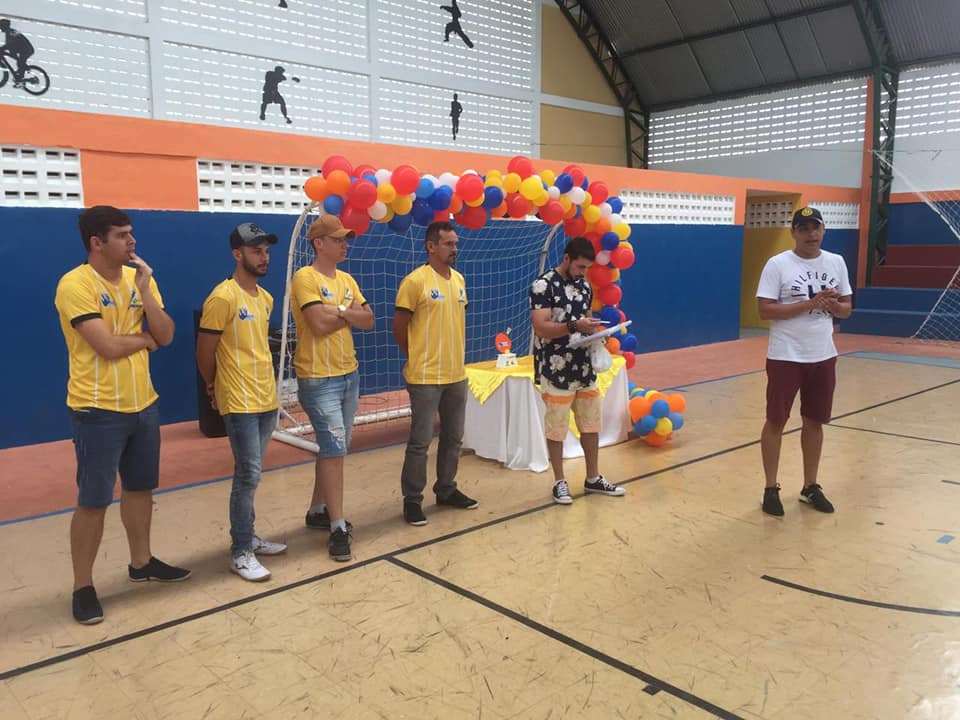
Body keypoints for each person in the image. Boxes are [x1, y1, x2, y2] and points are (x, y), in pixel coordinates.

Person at [55, 206, 190, 625]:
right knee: (94, 500)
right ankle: (82, 586)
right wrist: (144, 339)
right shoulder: (75, 284)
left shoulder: (138, 278)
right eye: (121, 235)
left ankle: (141, 562)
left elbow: (166, 335)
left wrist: (146, 292)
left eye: (131, 233)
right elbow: (107, 347)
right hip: (97, 410)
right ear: (97, 243)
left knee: (140, 489)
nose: (132, 241)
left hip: (143, 405)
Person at [197, 223, 288, 582]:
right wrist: (213, 385)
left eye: (266, 251)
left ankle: (249, 536)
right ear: (237, 254)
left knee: (254, 472)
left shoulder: (264, 298)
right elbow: (205, 351)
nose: (264, 258)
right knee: (247, 474)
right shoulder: (222, 298)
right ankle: (240, 552)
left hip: (265, 397)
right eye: (256, 251)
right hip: (238, 400)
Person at [757, 206, 852, 516]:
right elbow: (765, 310)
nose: (811, 234)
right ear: (794, 232)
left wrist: (832, 305)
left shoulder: (836, 262)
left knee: (814, 421)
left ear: (823, 231)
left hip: (823, 355)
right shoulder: (778, 264)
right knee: (776, 421)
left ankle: (810, 486)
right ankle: (770, 488)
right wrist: (811, 303)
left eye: (816, 228)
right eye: (804, 228)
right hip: (786, 355)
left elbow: (846, 308)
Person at [291, 214, 374, 561]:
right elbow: (318, 324)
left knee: (332, 449)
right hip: (318, 378)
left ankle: (318, 510)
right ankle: (338, 527)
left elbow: (369, 320)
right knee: (335, 449)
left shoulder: (347, 279)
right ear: (319, 243)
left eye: (345, 239)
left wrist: (337, 310)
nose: (345, 245)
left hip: (348, 375)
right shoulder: (304, 277)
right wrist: (348, 312)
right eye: (338, 239)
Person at [530, 236, 627, 505]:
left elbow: (582, 320)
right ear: (566, 258)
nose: (583, 273)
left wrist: (597, 332)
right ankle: (559, 481)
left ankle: (593, 477)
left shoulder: (584, 286)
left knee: (591, 423)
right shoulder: (543, 285)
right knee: (556, 426)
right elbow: (541, 327)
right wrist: (574, 326)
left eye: (587, 268)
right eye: (580, 266)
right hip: (556, 367)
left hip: (583, 367)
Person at [393, 220, 478, 525]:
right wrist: (416, 356)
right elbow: (399, 328)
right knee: (420, 442)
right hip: (425, 378)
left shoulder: (459, 280)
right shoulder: (415, 282)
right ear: (431, 246)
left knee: (454, 437)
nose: (455, 249)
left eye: (456, 244)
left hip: (456, 375)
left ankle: (446, 489)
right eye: (448, 244)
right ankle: (412, 500)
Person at [0, 18, 34, 87]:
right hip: (22, 49)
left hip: (26, 49)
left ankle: (21, 80)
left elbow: (12, 43)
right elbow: (10, 44)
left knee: (20, 62)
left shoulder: (11, 32)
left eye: (1, 26)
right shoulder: (9, 32)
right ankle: (20, 77)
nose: (0, 28)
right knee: (19, 62)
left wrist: (3, 48)